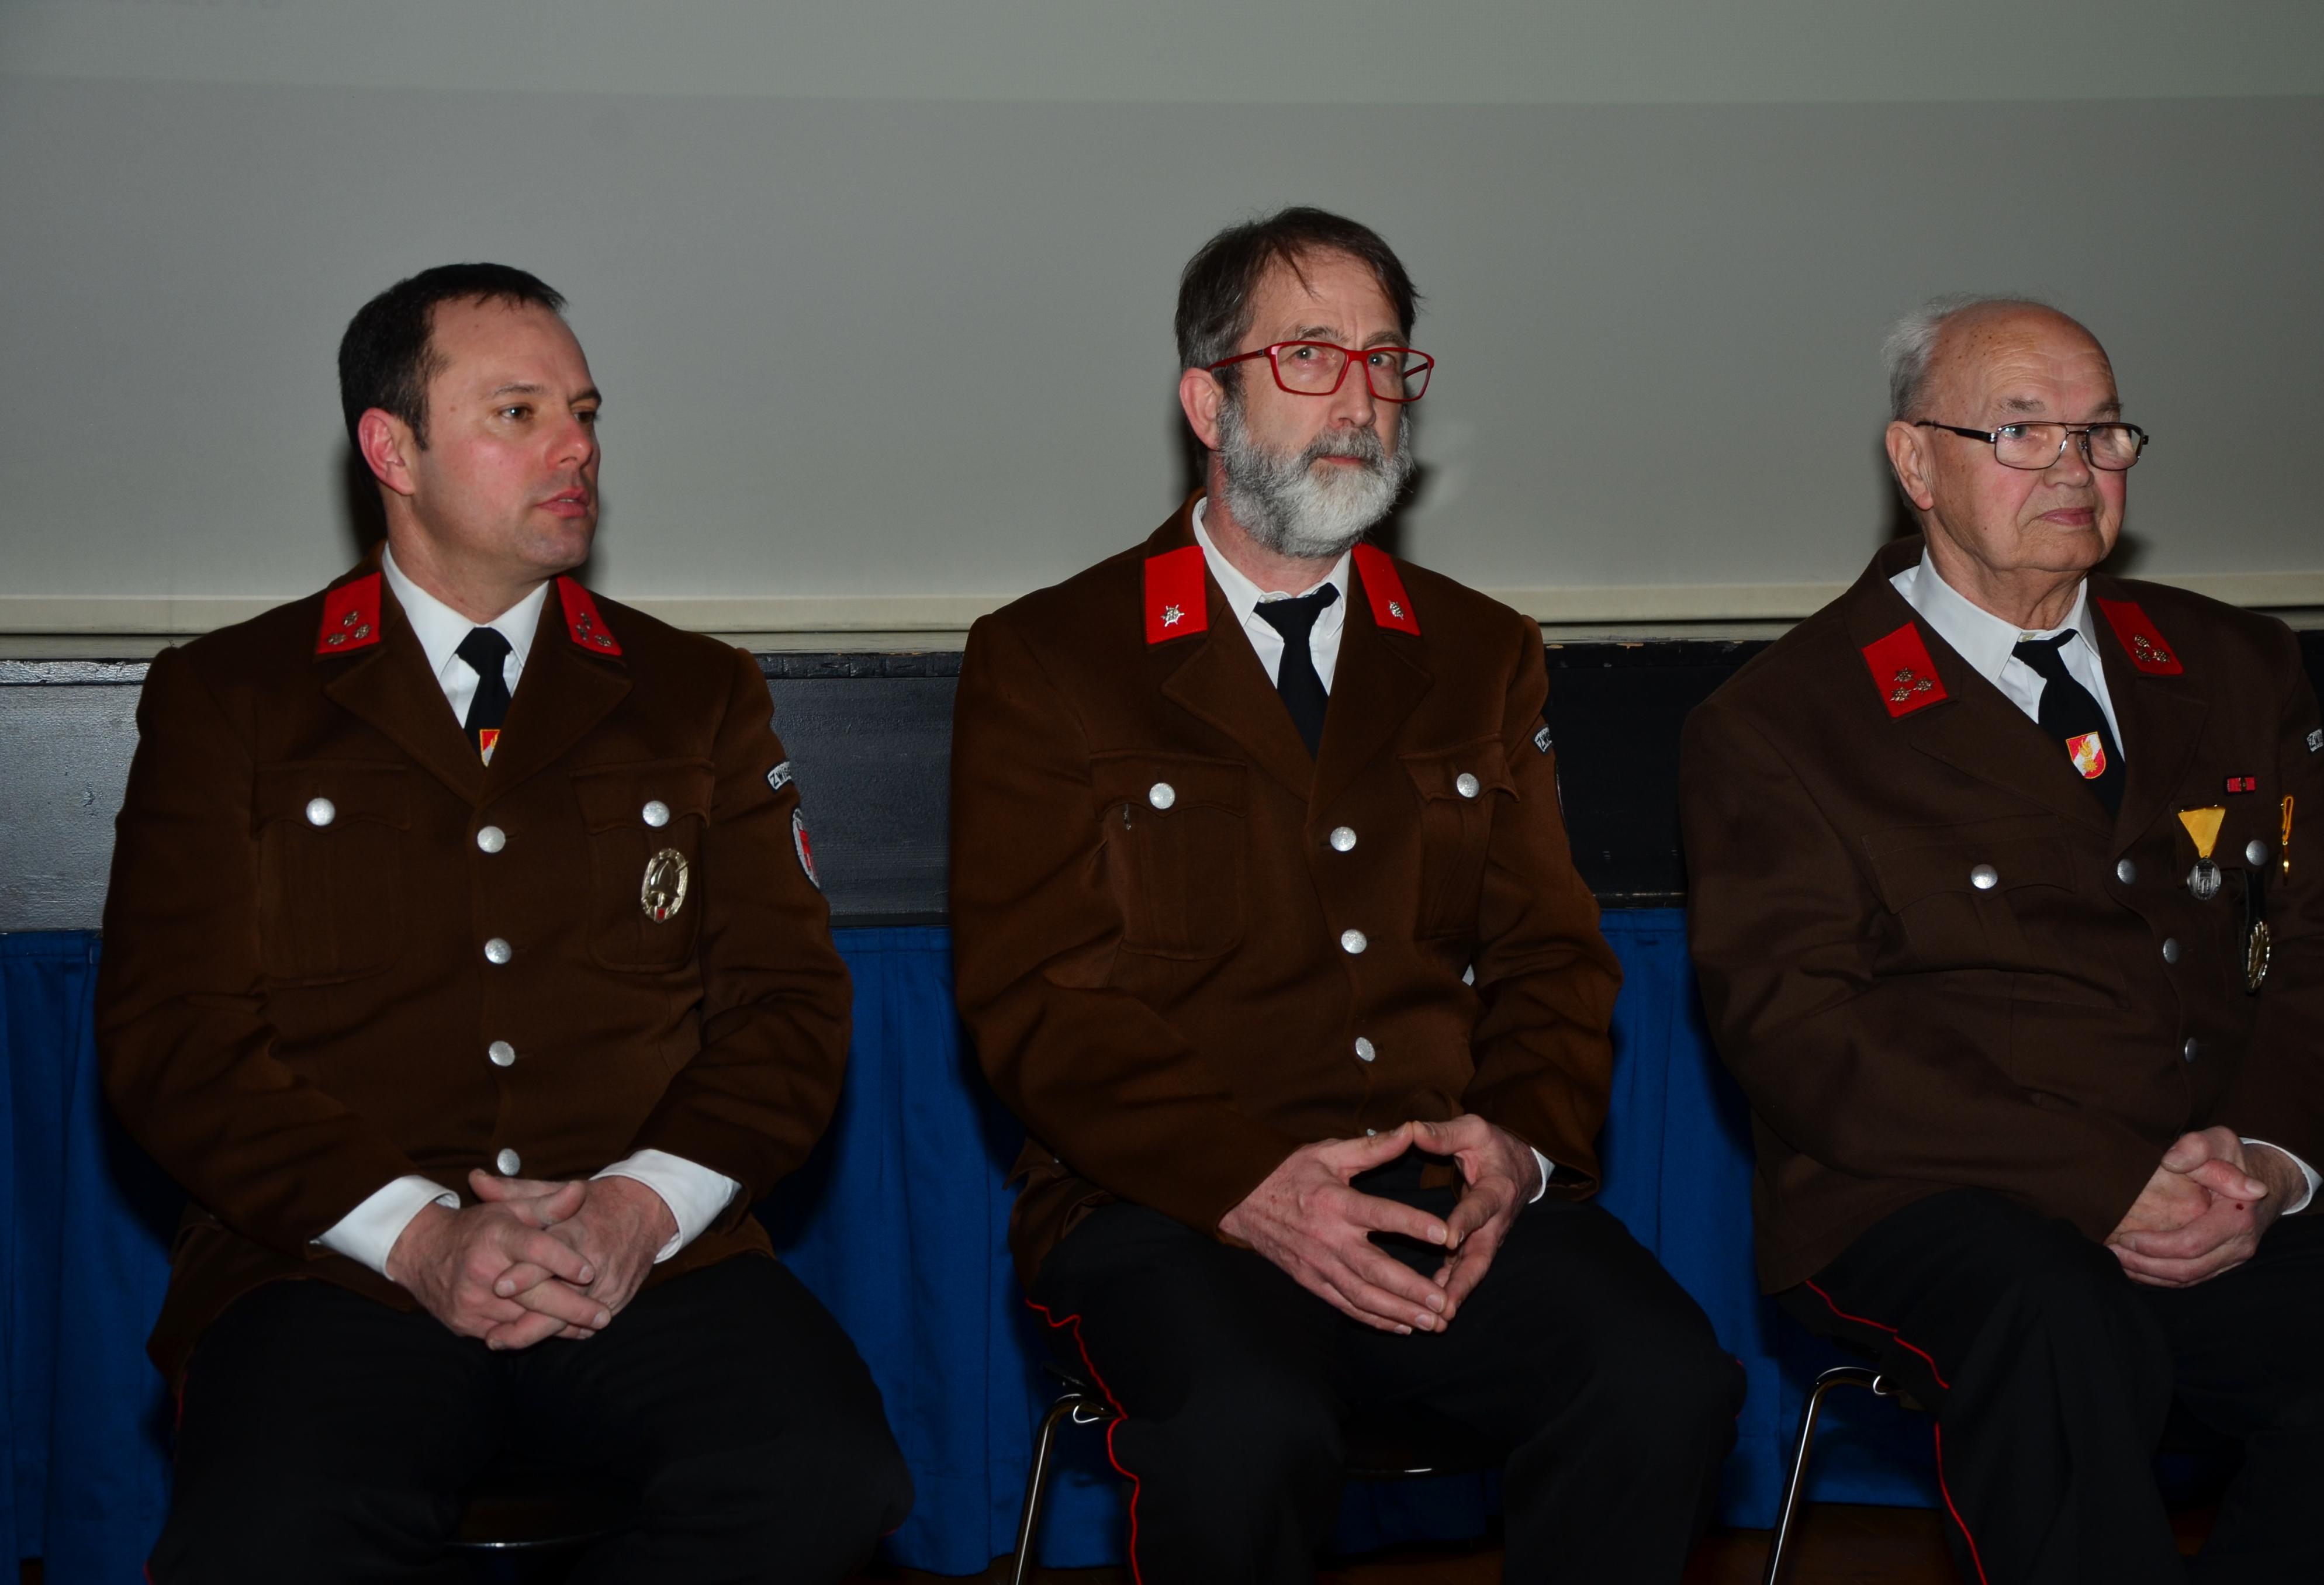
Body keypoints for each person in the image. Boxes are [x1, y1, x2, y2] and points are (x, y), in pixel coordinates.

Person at [950, 207, 1742, 1584]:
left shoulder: (1477, 652)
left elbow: (1551, 961)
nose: (1361, 400)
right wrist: (1248, 1187)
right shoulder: (1053, 658)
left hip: (1435, 1189)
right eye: (1310, 357)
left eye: (1385, 361)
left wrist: (1518, 1152)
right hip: (1167, 1202)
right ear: (1209, 403)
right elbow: (1038, 1003)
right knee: (1243, 1433)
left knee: (1662, 1379)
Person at [96, 263, 911, 1581]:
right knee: (272, 1528)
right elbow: (173, 1037)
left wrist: (636, 1211)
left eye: (583, 413)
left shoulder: (693, 694)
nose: (574, 447)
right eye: (518, 413)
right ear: (392, 450)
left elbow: (786, 1007)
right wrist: (420, 1237)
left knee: (823, 1477)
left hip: (638, 1260)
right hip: (332, 1265)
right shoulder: (233, 698)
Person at [1681, 295, 2324, 1583]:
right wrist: (2101, 1180)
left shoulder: (2233, 665)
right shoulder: (1784, 720)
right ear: (1916, 464)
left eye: (2102, 433)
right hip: (1924, 1196)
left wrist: (2271, 1165)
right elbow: (1803, 1033)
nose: (2074, 467)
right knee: (2058, 1334)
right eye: (2021, 432)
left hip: (2207, 1180)